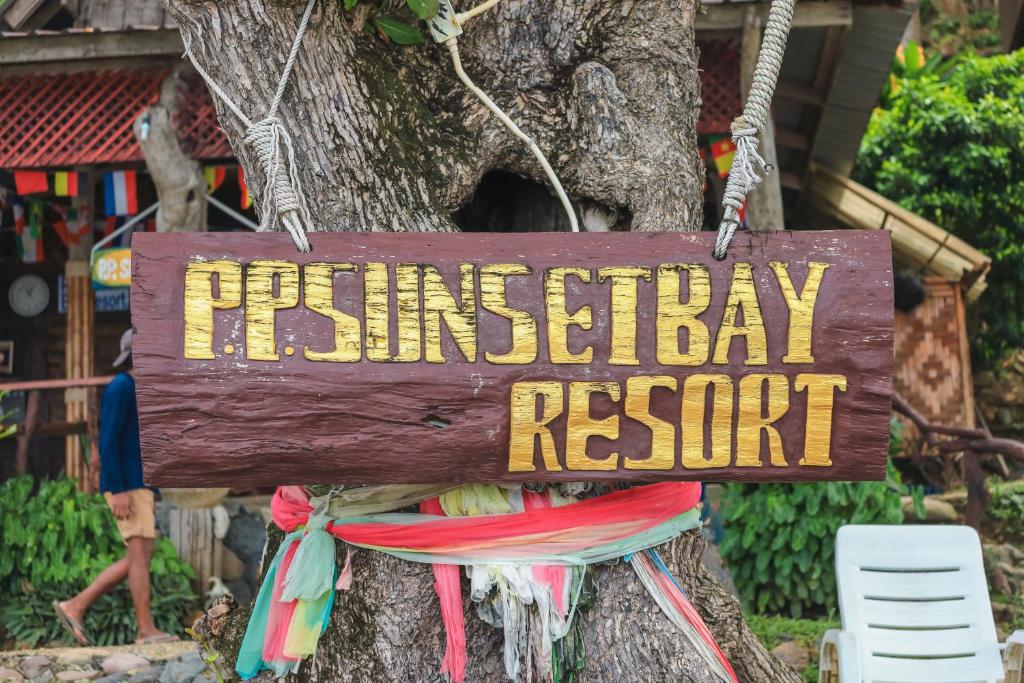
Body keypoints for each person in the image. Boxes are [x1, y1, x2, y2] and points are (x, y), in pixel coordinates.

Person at [54, 329, 177, 645]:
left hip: (140, 483)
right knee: (138, 556)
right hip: (128, 485)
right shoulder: (121, 387)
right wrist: (118, 489)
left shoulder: (136, 388)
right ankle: (145, 629)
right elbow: (107, 443)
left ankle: (75, 605)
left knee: (140, 556)